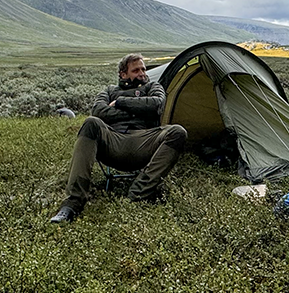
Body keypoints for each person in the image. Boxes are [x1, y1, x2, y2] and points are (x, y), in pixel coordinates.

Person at [49, 53, 188, 221]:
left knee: (177, 132)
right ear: (123, 74)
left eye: (143, 69)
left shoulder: (153, 87)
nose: (142, 73)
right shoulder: (109, 90)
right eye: (136, 70)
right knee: (91, 122)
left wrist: (122, 102)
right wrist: (138, 108)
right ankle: (72, 204)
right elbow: (99, 111)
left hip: (144, 140)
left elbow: (156, 104)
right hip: (113, 140)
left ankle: (138, 193)